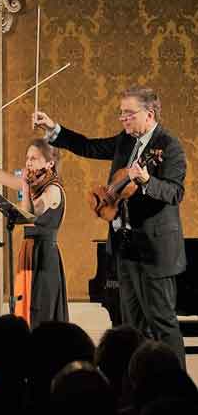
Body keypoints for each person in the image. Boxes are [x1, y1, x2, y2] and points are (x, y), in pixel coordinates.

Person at [34, 86, 186, 364]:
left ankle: (176, 388)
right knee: (132, 325)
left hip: (155, 250)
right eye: (121, 114)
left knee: (163, 323)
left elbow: (175, 193)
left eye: (129, 114)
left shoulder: (169, 146)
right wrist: (54, 128)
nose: (123, 119)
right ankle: (138, 385)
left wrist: (147, 182)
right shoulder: (125, 141)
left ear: (149, 114)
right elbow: (89, 146)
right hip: (125, 247)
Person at [0, 122, 68, 327]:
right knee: (25, 310)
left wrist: (25, 187)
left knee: (39, 312)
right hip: (29, 251)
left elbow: (28, 214)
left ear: (50, 163)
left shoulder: (52, 190)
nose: (28, 163)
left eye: (33, 159)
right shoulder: (33, 184)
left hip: (44, 256)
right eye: (27, 158)